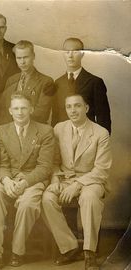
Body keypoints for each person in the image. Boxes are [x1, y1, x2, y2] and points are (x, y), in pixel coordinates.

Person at [0, 92, 54, 270]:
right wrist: (7, 181)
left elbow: (45, 167)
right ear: (10, 111)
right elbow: (1, 164)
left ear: (31, 109)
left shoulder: (45, 131)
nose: (20, 112)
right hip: (9, 178)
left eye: (24, 108)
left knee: (27, 204)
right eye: (16, 108)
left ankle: (17, 251)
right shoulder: (1, 131)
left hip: (33, 179)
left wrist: (25, 182)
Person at [42, 94, 112, 270]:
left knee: (89, 199)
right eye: (69, 107)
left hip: (92, 180)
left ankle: (90, 253)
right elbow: (54, 161)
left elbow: (101, 169)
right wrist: (56, 178)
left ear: (86, 108)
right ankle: (70, 247)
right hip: (65, 178)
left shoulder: (100, 133)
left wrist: (78, 185)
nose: (73, 111)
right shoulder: (59, 128)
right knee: (47, 198)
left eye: (77, 106)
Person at [52, 37, 111, 133]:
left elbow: (103, 118)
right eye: (67, 52)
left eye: (75, 51)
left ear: (83, 54)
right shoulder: (58, 82)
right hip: (63, 137)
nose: (70, 56)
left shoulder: (95, 82)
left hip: (88, 137)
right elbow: (55, 116)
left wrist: (100, 141)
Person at [0, 40, 55, 125]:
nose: (22, 62)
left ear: (33, 56)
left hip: (35, 129)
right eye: (19, 58)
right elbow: (4, 110)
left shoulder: (46, 82)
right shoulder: (11, 80)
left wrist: (19, 123)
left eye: (25, 57)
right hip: (11, 131)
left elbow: (42, 114)